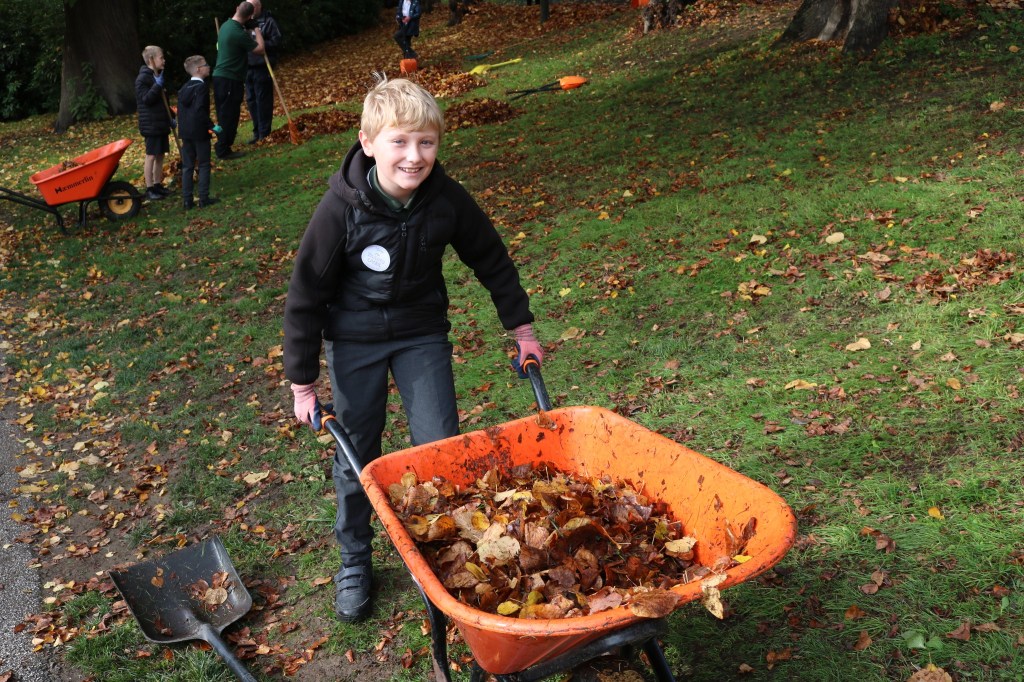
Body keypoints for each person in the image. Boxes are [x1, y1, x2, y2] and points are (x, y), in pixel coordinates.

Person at [283, 76, 543, 623]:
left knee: (439, 448)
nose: (414, 155)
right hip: (354, 340)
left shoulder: (445, 200)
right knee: (359, 452)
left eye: (426, 142)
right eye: (399, 141)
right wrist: (303, 383)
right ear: (368, 141)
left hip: (421, 333)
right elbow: (306, 294)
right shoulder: (341, 209)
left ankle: (441, 552)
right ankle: (355, 557)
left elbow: (491, 258)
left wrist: (521, 331)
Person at [213, 1, 265, 160]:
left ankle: (223, 144)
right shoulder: (238, 34)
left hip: (220, 77)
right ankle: (223, 149)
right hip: (230, 79)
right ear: (250, 16)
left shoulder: (226, 26)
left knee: (223, 113)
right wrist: (256, 28)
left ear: (236, 9)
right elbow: (260, 49)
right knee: (229, 114)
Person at [177, 56, 222, 210]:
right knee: (203, 164)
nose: (208, 66)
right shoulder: (201, 88)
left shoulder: (183, 89)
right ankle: (203, 197)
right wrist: (212, 126)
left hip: (186, 133)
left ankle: (187, 200)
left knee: (188, 166)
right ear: (198, 69)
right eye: (206, 64)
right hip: (199, 132)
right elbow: (200, 111)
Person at [135, 46, 174, 201]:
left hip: (160, 122)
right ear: (151, 59)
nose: (163, 60)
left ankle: (157, 184)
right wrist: (157, 85)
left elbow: (163, 102)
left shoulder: (156, 75)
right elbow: (146, 99)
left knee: (160, 154)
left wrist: (171, 117)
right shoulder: (143, 78)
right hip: (150, 124)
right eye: (161, 57)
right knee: (151, 155)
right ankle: (149, 188)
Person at [244, 0, 283, 144]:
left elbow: (276, 41)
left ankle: (264, 133)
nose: (251, 9)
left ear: (259, 6)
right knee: (251, 100)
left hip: (262, 65)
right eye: (249, 6)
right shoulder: (243, 22)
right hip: (247, 67)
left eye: (254, 6)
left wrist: (260, 44)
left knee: (263, 100)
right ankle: (256, 131)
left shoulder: (269, 21)